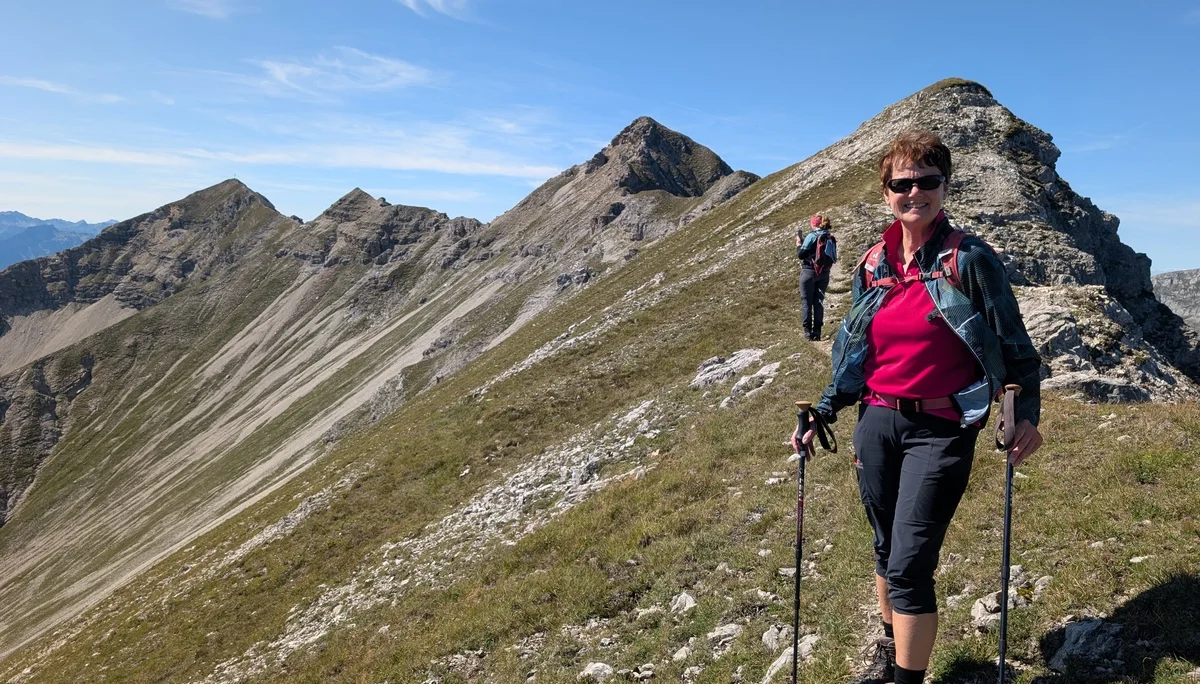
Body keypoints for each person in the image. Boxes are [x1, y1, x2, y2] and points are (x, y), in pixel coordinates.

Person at [794, 130, 1044, 684]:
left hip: (942, 426)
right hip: (876, 421)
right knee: (886, 549)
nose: (915, 192)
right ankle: (891, 655)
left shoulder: (969, 259)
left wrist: (1026, 413)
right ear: (886, 192)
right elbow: (857, 352)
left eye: (927, 181)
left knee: (909, 565)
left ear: (945, 187)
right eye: (902, 183)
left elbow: (1016, 348)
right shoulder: (873, 264)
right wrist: (824, 411)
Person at [797, 215, 838, 340]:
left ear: (814, 224)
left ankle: (807, 332)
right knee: (818, 302)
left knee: (807, 302)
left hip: (809, 272)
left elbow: (801, 255)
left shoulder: (812, 236)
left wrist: (799, 244)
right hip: (824, 273)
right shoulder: (829, 237)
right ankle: (817, 332)